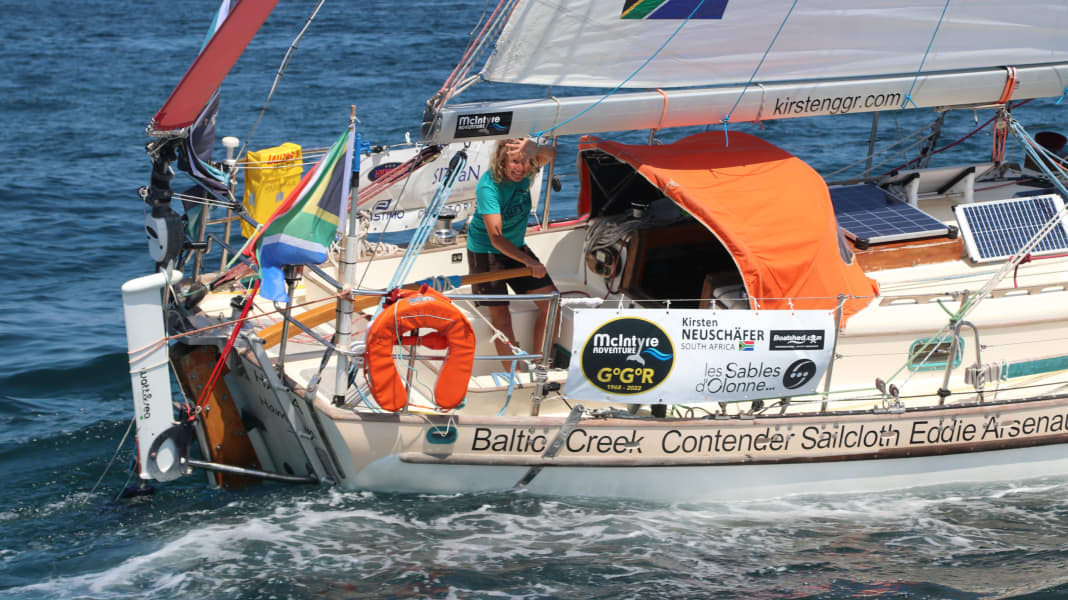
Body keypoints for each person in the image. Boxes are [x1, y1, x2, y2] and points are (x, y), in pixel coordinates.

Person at [467, 137, 558, 370]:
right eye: (515, 162)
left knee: (552, 303)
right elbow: (496, 238)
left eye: (526, 162)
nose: (521, 168)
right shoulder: (488, 187)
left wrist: (534, 149)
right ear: (502, 162)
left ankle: (541, 366)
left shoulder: (527, 170)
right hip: (487, 251)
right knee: (502, 316)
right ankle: (514, 374)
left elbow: (552, 153)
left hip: (515, 247)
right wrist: (529, 261)